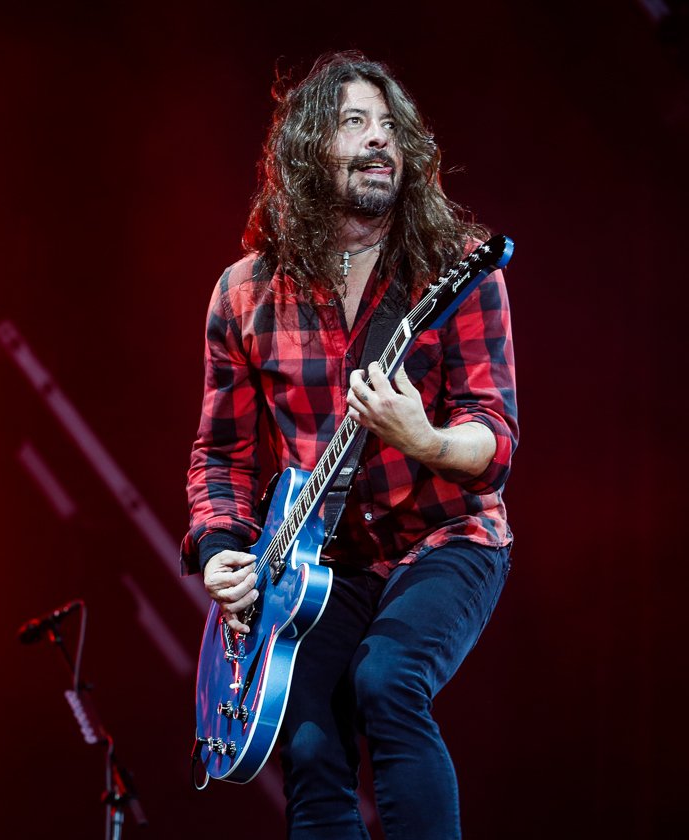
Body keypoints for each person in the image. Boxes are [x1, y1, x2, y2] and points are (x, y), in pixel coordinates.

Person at [181, 51, 517, 839]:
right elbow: (220, 454)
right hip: (318, 565)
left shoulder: (456, 269)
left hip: (445, 535)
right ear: (305, 151)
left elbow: (495, 442)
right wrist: (224, 546)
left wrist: (424, 437)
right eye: (353, 123)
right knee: (304, 739)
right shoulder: (244, 292)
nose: (378, 142)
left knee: (387, 682)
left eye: (389, 126)